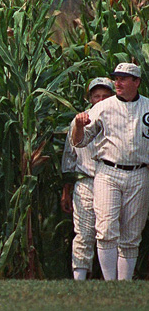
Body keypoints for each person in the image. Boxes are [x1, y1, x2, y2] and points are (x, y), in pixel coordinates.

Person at [72, 63, 149, 281]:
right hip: (108, 171)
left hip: (139, 172)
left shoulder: (147, 107)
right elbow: (80, 141)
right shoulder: (103, 108)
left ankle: (124, 284)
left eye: (124, 79)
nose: (118, 83)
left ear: (137, 82)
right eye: (116, 78)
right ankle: (109, 283)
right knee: (105, 229)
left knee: (132, 234)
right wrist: (78, 125)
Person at [61, 77, 115, 281]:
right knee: (83, 232)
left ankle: (112, 279)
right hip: (85, 181)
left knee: (109, 232)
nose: (100, 100)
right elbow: (69, 157)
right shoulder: (78, 121)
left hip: (111, 180)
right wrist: (66, 190)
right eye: (96, 96)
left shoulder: (118, 119)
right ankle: (80, 278)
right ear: (90, 98)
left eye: (105, 96)